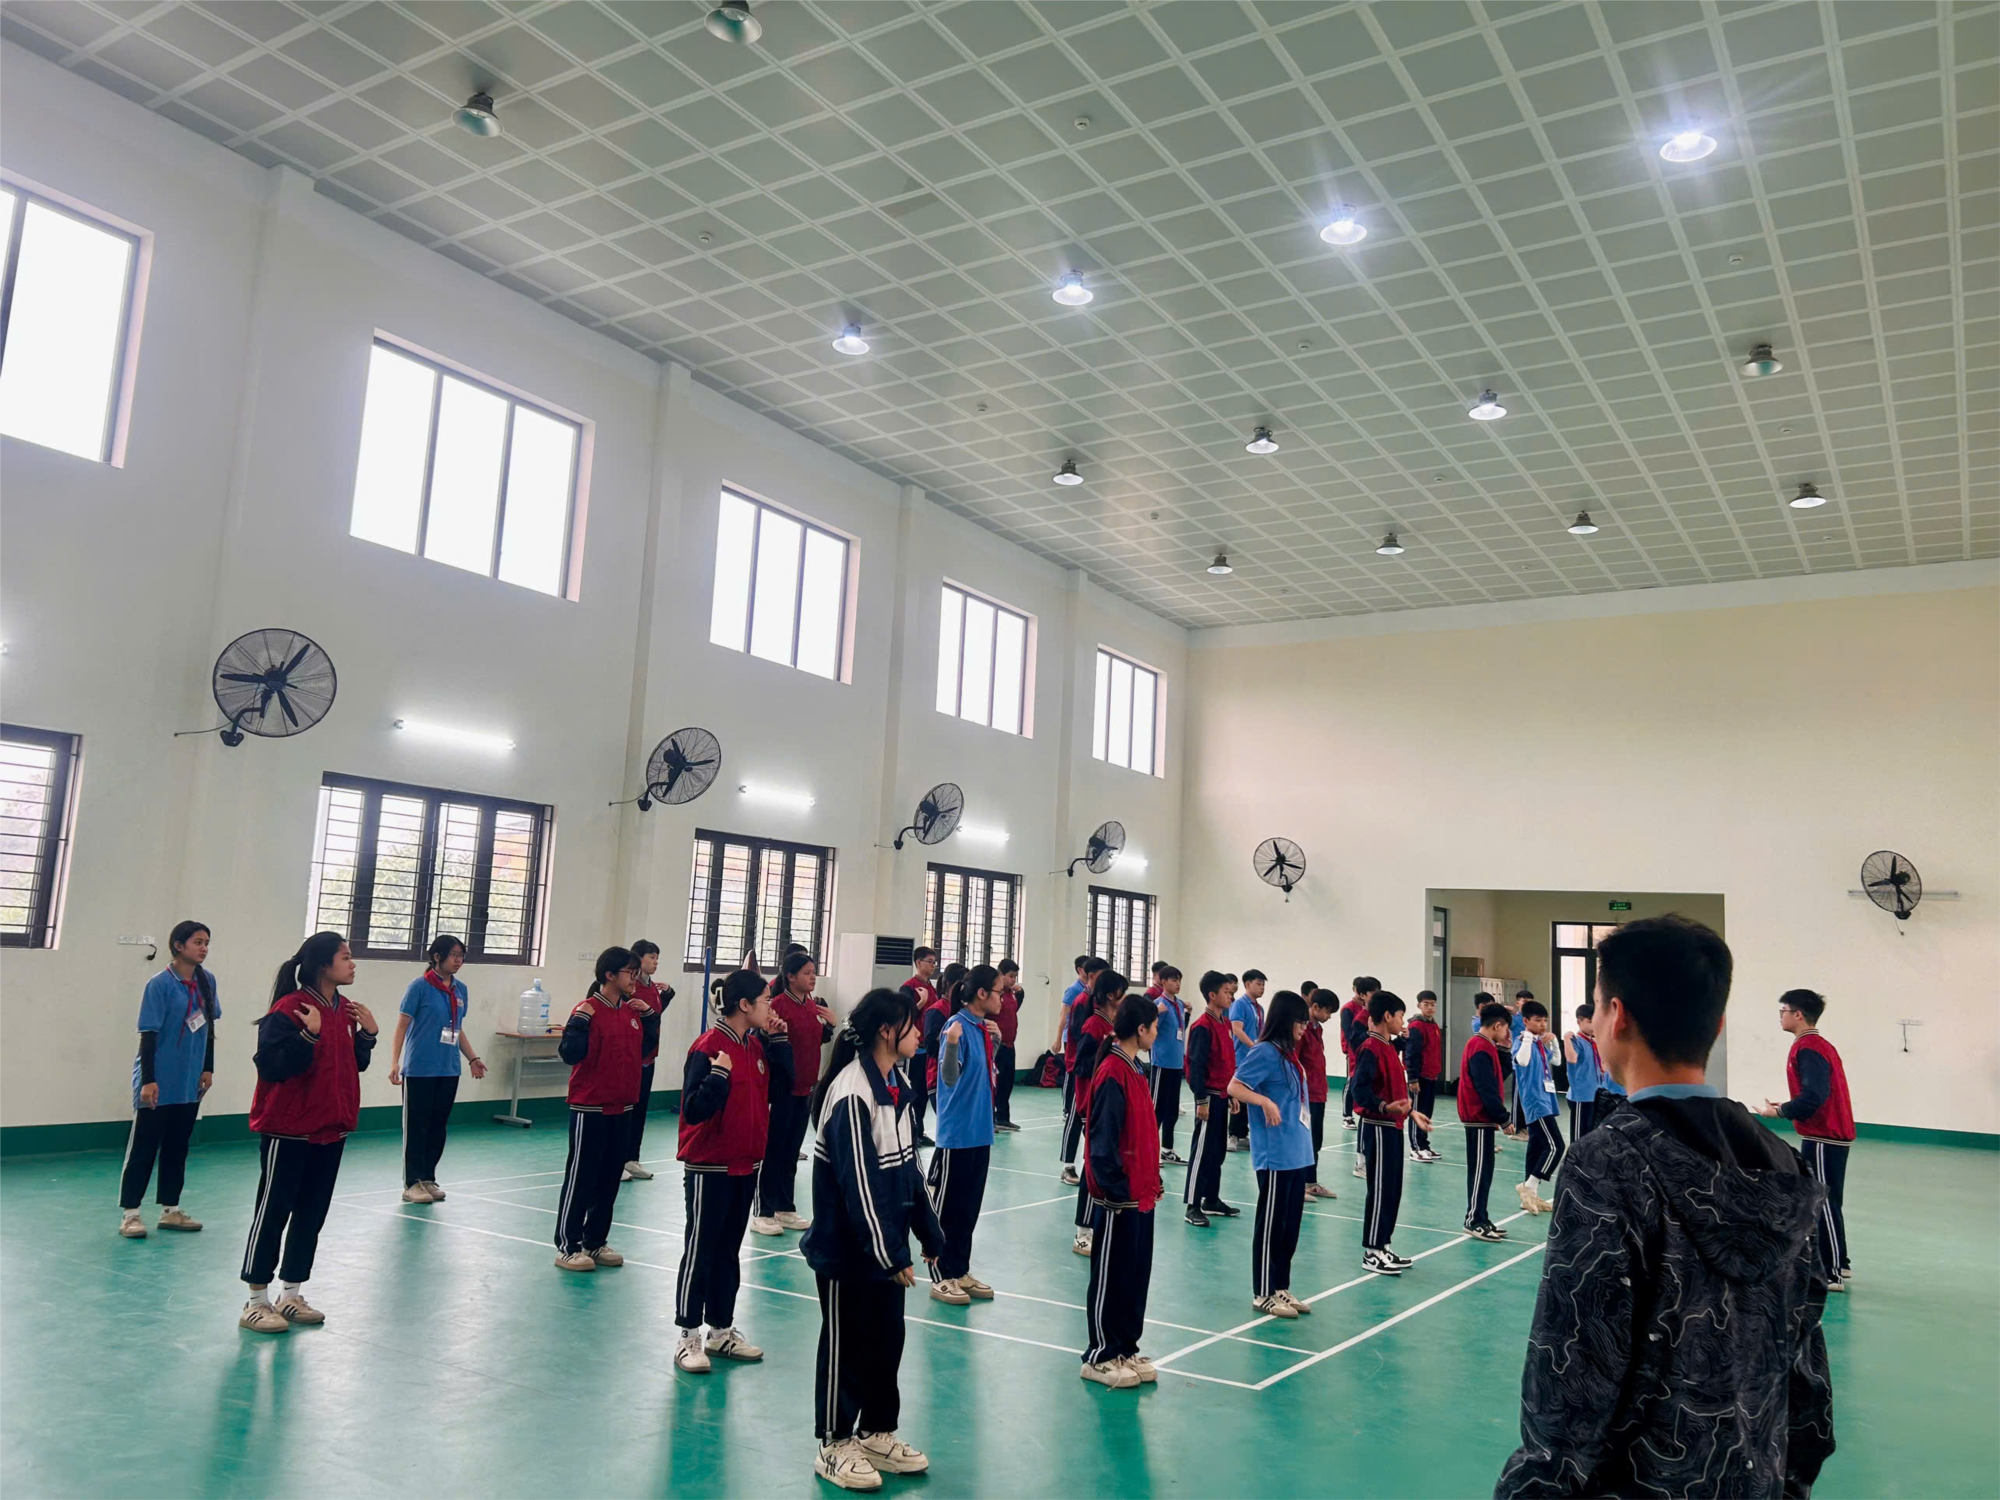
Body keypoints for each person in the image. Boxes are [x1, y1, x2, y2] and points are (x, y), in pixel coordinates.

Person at [1495, 915, 1834, 1499]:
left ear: (1616, 1016)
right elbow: (1805, 1374)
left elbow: (1570, 1379)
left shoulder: (1608, 1162)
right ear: (1717, 1024)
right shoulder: (1784, 1163)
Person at [802, 988, 942, 1490]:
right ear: (887, 1031)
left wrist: (928, 1232)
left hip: (884, 1251)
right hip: (847, 1252)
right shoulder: (852, 1094)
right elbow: (859, 1187)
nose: (919, 1033)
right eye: (911, 1025)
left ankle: (877, 1432)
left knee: (886, 1340)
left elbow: (908, 1170)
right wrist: (890, 1254)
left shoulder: (896, 1085)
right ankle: (834, 1442)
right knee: (847, 1346)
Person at [238, 932, 378, 1333]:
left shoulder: (346, 1010)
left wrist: (367, 1035)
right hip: (289, 1131)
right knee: (273, 1212)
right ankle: (255, 1301)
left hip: (331, 1130)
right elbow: (272, 1066)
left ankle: (291, 1294)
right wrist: (307, 1035)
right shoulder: (290, 1008)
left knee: (311, 1215)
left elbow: (353, 1064)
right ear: (322, 965)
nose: (352, 964)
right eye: (345, 957)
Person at [674, 969, 793, 1372]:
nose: (771, 1007)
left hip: (746, 1163)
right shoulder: (708, 1047)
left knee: (728, 1252)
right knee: (701, 1250)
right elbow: (693, 1110)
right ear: (744, 1005)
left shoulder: (755, 1046)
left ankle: (721, 1331)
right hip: (710, 1166)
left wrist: (779, 1042)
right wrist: (719, 1076)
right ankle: (688, 1335)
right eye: (766, 1000)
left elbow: (782, 1089)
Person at [553, 947, 657, 1274]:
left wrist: (650, 1017)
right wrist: (579, 1023)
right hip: (591, 1107)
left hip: (622, 1106)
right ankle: (568, 1246)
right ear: (610, 975)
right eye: (629, 972)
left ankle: (595, 1241)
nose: (635, 978)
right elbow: (570, 1054)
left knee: (610, 1178)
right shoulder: (588, 1010)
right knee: (582, 1177)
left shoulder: (631, 1013)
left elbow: (645, 1050)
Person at [1080, 992, 1164, 1390]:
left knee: (1134, 1275)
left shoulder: (1136, 1068)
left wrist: (1150, 1180)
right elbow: (1103, 1138)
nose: (1157, 1034)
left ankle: (1125, 1348)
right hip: (1119, 1196)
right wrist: (1114, 1187)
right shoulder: (1113, 1071)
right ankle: (1100, 1354)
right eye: (1155, 1027)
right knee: (1111, 1277)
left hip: (1140, 1194)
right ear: (1140, 1029)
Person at [121, 920, 219, 1239]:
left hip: (189, 1081)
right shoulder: (160, 984)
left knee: (177, 1147)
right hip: (159, 1080)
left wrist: (208, 1068)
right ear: (179, 945)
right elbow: (148, 1034)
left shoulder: (207, 981)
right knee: (144, 1148)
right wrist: (149, 1080)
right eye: (197, 942)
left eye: (206, 943)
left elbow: (209, 1028)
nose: (204, 948)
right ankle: (131, 1214)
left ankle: (170, 1210)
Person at [1757, 989, 1856, 1291]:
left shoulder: (1809, 1047)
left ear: (1798, 1014)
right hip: (1825, 1134)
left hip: (1825, 1136)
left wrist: (1781, 1111)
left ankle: (1832, 1273)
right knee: (1827, 1200)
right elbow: (1814, 1093)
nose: (1781, 1017)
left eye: (1783, 1011)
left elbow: (1815, 1095)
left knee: (1821, 1201)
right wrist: (1789, 1105)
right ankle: (1841, 1263)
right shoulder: (1816, 1045)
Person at [1227, 990, 1316, 1315]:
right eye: (1299, 1022)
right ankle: (1262, 1291)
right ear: (1285, 1020)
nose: (1303, 1027)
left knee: (1290, 1226)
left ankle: (1280, 1286)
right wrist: (1264, 1101)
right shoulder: (1264, 1052)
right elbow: (1235, 1086)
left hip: (1297, 1151)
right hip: (1275, 1154)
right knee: (1271, 1225)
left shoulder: (1288, 1054)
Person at [388, 935, 488, 1205]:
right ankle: (412, 1183)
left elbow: (457, 1028)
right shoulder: (419, 987)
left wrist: (472, 1058)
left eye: (461, 956)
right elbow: (402, 1025)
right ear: (437, 957)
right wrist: (395, 1061)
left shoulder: (460, 990)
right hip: (420, 1068)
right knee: (417, 1127)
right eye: (453, 955)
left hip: (448, 1068)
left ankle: (428, 1177)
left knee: (437, 1126)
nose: (458, 960)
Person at [928, 965, 1003, 1305]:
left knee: (969, 1209)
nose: (1003, 999)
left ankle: (959, 1270)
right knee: (949, 1209)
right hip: (957, 1134)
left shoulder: (982, 1028)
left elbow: (984, 1073)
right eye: (999, 992)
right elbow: (948, 1077)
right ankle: (940, 1274)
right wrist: (952, 1043)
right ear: (982, 994)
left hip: (980, 1131)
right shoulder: (954, 1026)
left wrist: (995, 1042)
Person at [753, 951, 833, 1237]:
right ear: (790, 976)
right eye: (807, 973)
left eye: (814, 972)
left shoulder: (812, 1005)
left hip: (805, 1090)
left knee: (791, 1152)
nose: (813, 977)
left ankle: (784, 1208)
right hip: (782, 1091)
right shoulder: (776, 1006)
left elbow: (817, 1039)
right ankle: (763, 1211)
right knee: (774, 1152)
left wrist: (831, 1024)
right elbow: (764, 1042)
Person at [1350, 991, 1423, 1275]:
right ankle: (1371, 1250)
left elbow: (1394, 1091)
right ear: (1387, 1016)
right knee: (1380, 1189)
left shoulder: (1389, 1047)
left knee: (1393, 1189)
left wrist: (1410, 1111)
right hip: (1378, 1127)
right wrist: (1383, 1106)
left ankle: (1384, 1244)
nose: (1403, 1022)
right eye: (1400, 1016)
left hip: (1393, 1127)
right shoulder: (1371, 1048)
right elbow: (1359, 1090)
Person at [1068, 969, 1127, 1255]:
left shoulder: (1109, 1024)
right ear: (1110, 995)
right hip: (1090, 1104)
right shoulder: (1094, 1024)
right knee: (1092, 1166)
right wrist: (1108, 1053)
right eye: (1121, 993)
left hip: (1103, 1104)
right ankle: (1083, 1232)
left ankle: (1096, 1226)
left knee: (1102, 1165)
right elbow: (1082, 1065)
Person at [1182, 970, 1240, 1226]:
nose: (1231, 997)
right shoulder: (1202, 1026)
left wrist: (1231, 1093)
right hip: (1208, 1097)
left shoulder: (1225, 1024)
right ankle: (1192, 1205)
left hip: (1223, 1095)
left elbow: (1227, 1063)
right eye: (1227, 992)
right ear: (1212, 995)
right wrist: (1201, 1100)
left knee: (1217, 1152)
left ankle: (1211, 1199)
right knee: (1202, 1152)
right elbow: (1195, 1067)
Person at [1458, 1003, 1511, 1241]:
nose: (1507, 1033)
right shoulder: (1479, 1046)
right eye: (1506, 1028)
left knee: (1485, 1170)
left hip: (1483, 1119)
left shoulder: (1488, 1046)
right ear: (1497, 1025)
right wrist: (1503, 1117)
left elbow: (1499, 1076)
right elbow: (1485, 1087)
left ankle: (1482, 1216)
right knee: (1480, 1171)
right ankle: (1473, 1220)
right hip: (1478, 1118)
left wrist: (1505, 1051)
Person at [623, 940, 673, 1182]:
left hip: (649, 1058)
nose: (655, 962)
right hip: (631, 1058)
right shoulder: (631, 988)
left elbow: (656, 1014)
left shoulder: (652, 986)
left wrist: (669, 994)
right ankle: (617, 1161)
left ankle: (632, 1159)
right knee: (626, 1110)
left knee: (640, 1110)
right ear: (638, 958)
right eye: (651, 957)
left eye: (657, 957)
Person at [1059, 957, 1112, 1183]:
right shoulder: (1082, 1001)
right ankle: (1067, 1165)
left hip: (1097, 1068)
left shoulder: (1100, 1002)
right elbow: (1080, 1035)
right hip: (1079, 1067)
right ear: (1090, 976)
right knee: (1075, 1116)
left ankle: (1092, 1162)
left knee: (1092, 1117)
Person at [1513, 999, 1563, 1215]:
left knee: (1536, 1146)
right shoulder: (1522, 1041)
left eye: (1545, 1020)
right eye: (1538, 1020)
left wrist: (1554, 1042)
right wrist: (1527, 1036)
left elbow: (1557, 1061)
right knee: (1556, 1146)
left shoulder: (1539, 1043)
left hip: (1546, 1099)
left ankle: (1530, 1196)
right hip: (1535, 1101)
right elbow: (1522, 1062)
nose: (1543, 1024)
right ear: (1526, 1021)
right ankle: (1529, 1186)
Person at [901, 948, 941, 1146]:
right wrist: (921, 1002)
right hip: (914, 1049)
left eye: (934, 962)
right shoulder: (908, 987)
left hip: (928, 1049)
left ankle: (920, 1131)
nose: (933, 965)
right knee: (913, 1091)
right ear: (918, 963)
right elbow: (904, 1016)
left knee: (924, 1093)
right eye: (929, 961)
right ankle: (909, 1132)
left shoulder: (932, 988)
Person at [1149, 966, 1188, 1163]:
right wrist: (1154, 1014)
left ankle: (1167, 1149)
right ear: (1163, 982)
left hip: (1176, 1064)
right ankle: (1150, 1153)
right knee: (1156, 1110)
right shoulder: (1158, 1005)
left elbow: (1180, 1029)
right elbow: (1148, 1029)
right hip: (1162, 1063)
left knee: (1172, 1110)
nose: (1178, 984)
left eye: (1179, 980)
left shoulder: (1179, 1004)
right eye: (1173, 980)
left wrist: (1187, 1014)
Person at [1300, 989, 1336, 1199]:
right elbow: (1296, 1061)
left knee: (1315, 1141)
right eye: (1328, 1011)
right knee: (1306, 1141)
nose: (1329, 1016)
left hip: (1318, 1092)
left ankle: (1311, 1182)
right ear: (1315, 1007)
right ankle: (1300, 1184)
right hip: (1306, 1094)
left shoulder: (1317, 1029)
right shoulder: (1302, 1030)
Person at [1225, 970, 1267, 1150]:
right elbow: (1237, 1029)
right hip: (1241, 1058)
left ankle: (1243, 1134)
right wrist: (1253, 1046)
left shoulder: (1260, 1009)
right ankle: (1233, 1135)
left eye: (1263, 984)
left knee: (1250, 1098)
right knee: (1238, 1098)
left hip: (1254, 1060)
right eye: (1259, 983)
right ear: (1247, 984)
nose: (1262, 987)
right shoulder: (1239, 1005)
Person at [1404, 991, 1443, 1163]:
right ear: (1419, 1005)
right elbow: (1411, 1053)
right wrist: (1413, 1078)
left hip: (1431, 1076)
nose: (1430, 1007)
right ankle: (1415, 1148)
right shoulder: (1416, 1026)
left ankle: (1424, 1145)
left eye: (1433, 1004)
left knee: (1426, 1113)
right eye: (1426, 1004)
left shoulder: (1433, 1025)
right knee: (1417, 1112)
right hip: (1419, 1078)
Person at [1338, 976, 1376, 1131]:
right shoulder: (1348, 1009)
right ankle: (1347, 1116)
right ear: (1358, 992)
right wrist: (1352, 1049)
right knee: (1352, 1080)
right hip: (1354, 1051)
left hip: (1369, 1051)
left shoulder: (1372, 1009)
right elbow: (1349, 1034)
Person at [1563, 1002, 1603, 1139]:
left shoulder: (1594, 1042)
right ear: (1579, 1022)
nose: (1594, 1026)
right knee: (1579, 1136)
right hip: (1581, 1095)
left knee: (1592, 1133)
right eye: (1590, 1022)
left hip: (1595, 1094)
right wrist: (1566, 1039)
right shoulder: (1576, 1041)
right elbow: (1572, 1059)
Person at [991, 959, 1022, 1132]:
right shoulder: (995, 994)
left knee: (1007, 1083)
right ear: (1000, 975)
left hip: (1010, 1045)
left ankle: (1003, 1117)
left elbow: (1013, 1012)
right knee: (994, 1084)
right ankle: (990, 1119)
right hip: (997, 1045)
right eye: (1010, 976)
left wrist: (1021, 994)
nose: (1013, 980)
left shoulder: (1012, 994)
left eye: (1015, 976)